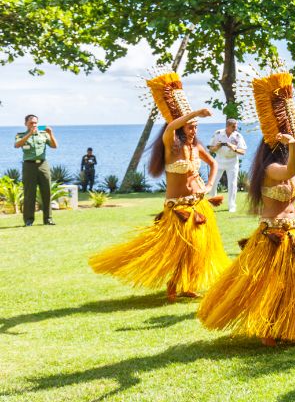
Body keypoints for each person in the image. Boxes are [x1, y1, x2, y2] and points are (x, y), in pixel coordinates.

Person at [198, 69, 295, 345]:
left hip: (294, 236)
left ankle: (289, 327)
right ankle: (268, 331)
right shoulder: (272, 168)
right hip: (273, 237)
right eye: (292, 143)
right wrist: (293, 149)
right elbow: (290, 168)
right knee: (271, 285)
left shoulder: (290, 173)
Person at [89, 70, 230, 301]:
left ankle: (187, 285)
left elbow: (214, 164)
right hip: (177, 209)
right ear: (183, 127)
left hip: (198, 206)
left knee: (197, 249)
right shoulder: (171, 145)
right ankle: (173, 286)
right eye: (191, 127)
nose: (194, 131)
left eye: (196, 127)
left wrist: (210, 185)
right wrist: (194, 113)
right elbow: (171, 127)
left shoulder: (197, 148)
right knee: (179, 249)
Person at [14, 114, 57, 226]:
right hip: (29, 166)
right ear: (26, 124)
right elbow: (17, 145)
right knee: (29, 193)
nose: (34, 125)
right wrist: (29, 134)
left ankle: (48, 219)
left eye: (35, 123)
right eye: (31, 123)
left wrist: (51, 133)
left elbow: (54, 146)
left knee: (46, 192)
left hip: (43, 165)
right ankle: (29, 220)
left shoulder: (43, 134)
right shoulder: (20, 135)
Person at [208, 119, 247, 212]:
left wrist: (234, 149)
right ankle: (213, 202)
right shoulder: (218, 134)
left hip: (232, 162)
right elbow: (210, 149)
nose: (235, 128)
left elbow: (243, 151)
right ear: (228, 126)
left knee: (232, 184)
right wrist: (217, 147)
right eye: (233, 126)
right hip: (219, 160)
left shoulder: (238, 136)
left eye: (236, 126)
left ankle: (232, 206)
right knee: (213, 182)